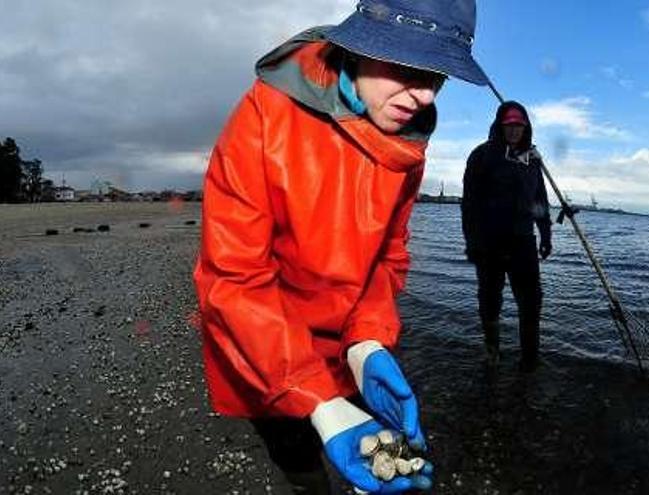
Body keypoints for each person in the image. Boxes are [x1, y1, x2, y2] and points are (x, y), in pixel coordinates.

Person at [192, 1, 489, 493]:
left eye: (437, 76)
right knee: (299, 457)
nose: (421, 95)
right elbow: (233, 276)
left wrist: (368, 342)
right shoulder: (265, 113)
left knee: (376, 457)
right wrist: (317, 400)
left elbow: (388, 256)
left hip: (344, 347)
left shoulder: (409, 144)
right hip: (264, 344)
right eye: (407, 67)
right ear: (362, 44)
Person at [461, 101, 552, 372]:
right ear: (501, 126)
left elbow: (540, 202)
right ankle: (492, 353)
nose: (514, 130)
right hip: (489, 243)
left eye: (519, 126)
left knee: (532, 302)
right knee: (490, 299)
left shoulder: (532, 162)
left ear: (526, 128)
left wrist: (546, 235)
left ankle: (530, 360)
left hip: (523, 242)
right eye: (509, 125)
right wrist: (472, 243)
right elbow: (469, 204)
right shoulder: (482, 155)